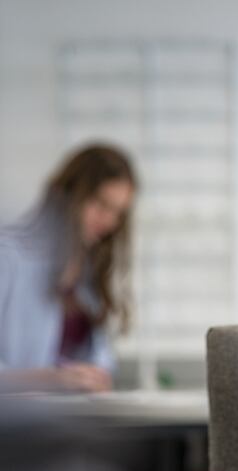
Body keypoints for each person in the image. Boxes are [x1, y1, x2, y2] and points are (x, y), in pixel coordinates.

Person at [0, 144, 136, 393]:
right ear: (66, 193)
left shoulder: (87, 273)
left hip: (68, 422)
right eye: (101, 204)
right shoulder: (7, 258)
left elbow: (100, 360)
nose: (109, 222)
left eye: (118, 213)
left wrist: (96, 377)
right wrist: (51, 380)